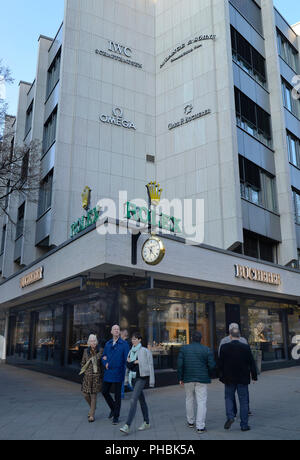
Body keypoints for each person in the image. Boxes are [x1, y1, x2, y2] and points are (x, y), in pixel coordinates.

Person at [219, 327, 258, 432]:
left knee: (228, 398)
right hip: (243, 378)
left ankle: (230, 416)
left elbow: (220, 363)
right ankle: (244, 425)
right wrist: (254, 376)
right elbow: (252, 363)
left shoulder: (224, 347)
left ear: (230, 336)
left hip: (229, 378)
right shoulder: (245, 347)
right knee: (244, 401)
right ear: (239, 336)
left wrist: (220, 376)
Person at [177, 331, 216, 434]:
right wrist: (206, 372)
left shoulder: (184, 349)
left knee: (189, 399)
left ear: (191, 338)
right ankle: (200, 426)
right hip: (202, 379)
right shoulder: (206, 349)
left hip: (188, 378)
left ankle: (190, 421)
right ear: (201, 339)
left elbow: (180, 365)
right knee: (201, 402)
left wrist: (180, 378)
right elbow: (212, 365)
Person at [120, 332, 155, 435]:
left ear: (140, 340)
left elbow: (148, 365)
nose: (133, 340)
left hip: (141, 378)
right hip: (133, 378)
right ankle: (147, 422)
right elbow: (128, 365)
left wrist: (134, 362)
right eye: (132, 339)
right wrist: (134, 362)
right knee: (142, 400)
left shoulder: (144, 351)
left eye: (135, 339)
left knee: (133, 400)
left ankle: (127, 425)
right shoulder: (131, 351)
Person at [102, 325, 129, 425]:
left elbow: (127, 358)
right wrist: (105, 363)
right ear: (111, 332)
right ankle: (113, 408)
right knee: (104, 391)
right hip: (108, 371)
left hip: (118, 372)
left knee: (117, 396)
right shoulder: (108, 344)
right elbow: (103, 356)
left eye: (118, 329)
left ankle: (116, 416)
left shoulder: (124, 344)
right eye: (115, 329)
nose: (116, 331)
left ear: (119, 332)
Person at [80, 334, 103, 423]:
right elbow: (83, 362)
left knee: (93, 396)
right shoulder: (85, 351)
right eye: (91, 341)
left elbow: (98, 359)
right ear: (89, 342)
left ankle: (92, 415)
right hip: (87, 377)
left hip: (96, 377)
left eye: (94, 341)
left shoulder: (100, 350)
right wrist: (84, 370)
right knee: (85, 395)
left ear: (96, 342)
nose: (93, 342)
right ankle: (93, 407)